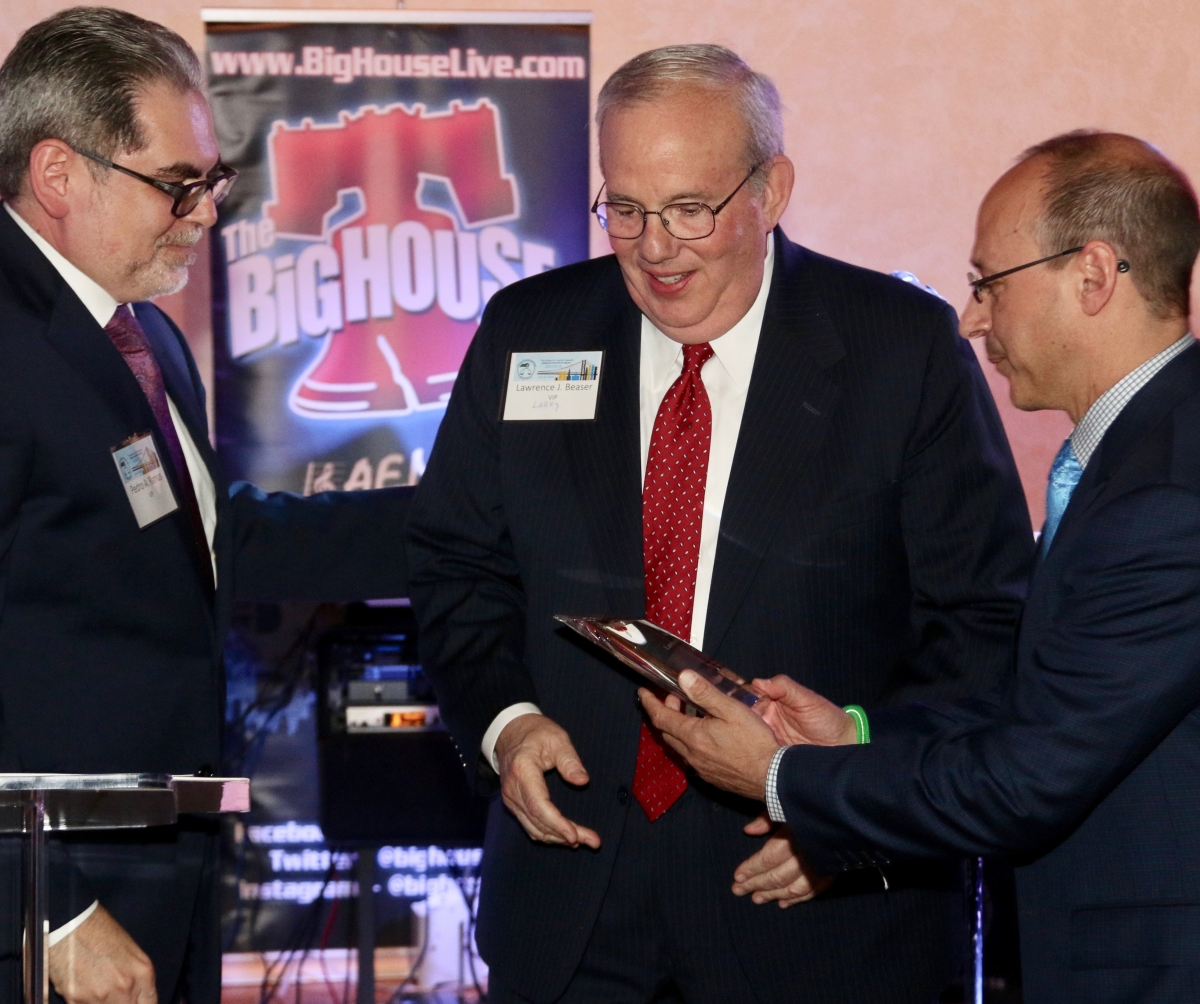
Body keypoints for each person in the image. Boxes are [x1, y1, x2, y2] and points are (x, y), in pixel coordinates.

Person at [407, 43, 1033, 1004]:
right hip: (573, 900)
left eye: (691, 208)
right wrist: (506, 722)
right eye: (624, 208)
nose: (655, 247)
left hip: (819, 913)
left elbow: (984, 628)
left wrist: (843, 812)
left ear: (772, 190)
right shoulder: (529, 333)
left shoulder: (898, 352)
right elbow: (458, 566)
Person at [644, 131, 1200, 1004]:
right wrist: (858, 734)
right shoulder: (1139, 459)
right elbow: (1043, 708)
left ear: (1093, 275)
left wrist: (783, 776)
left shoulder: (1167, 492)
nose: (974, 318)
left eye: (990, 284)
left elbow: (1029, 779)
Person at [0, 9, 412, 1003]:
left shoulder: (144, 336)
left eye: (211, 181)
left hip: (163, 856)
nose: (205, 212)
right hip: (50, 895)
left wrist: (488, 508)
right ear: (59, 174)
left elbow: (228, 542)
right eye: (178, 184)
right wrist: (38, 904)